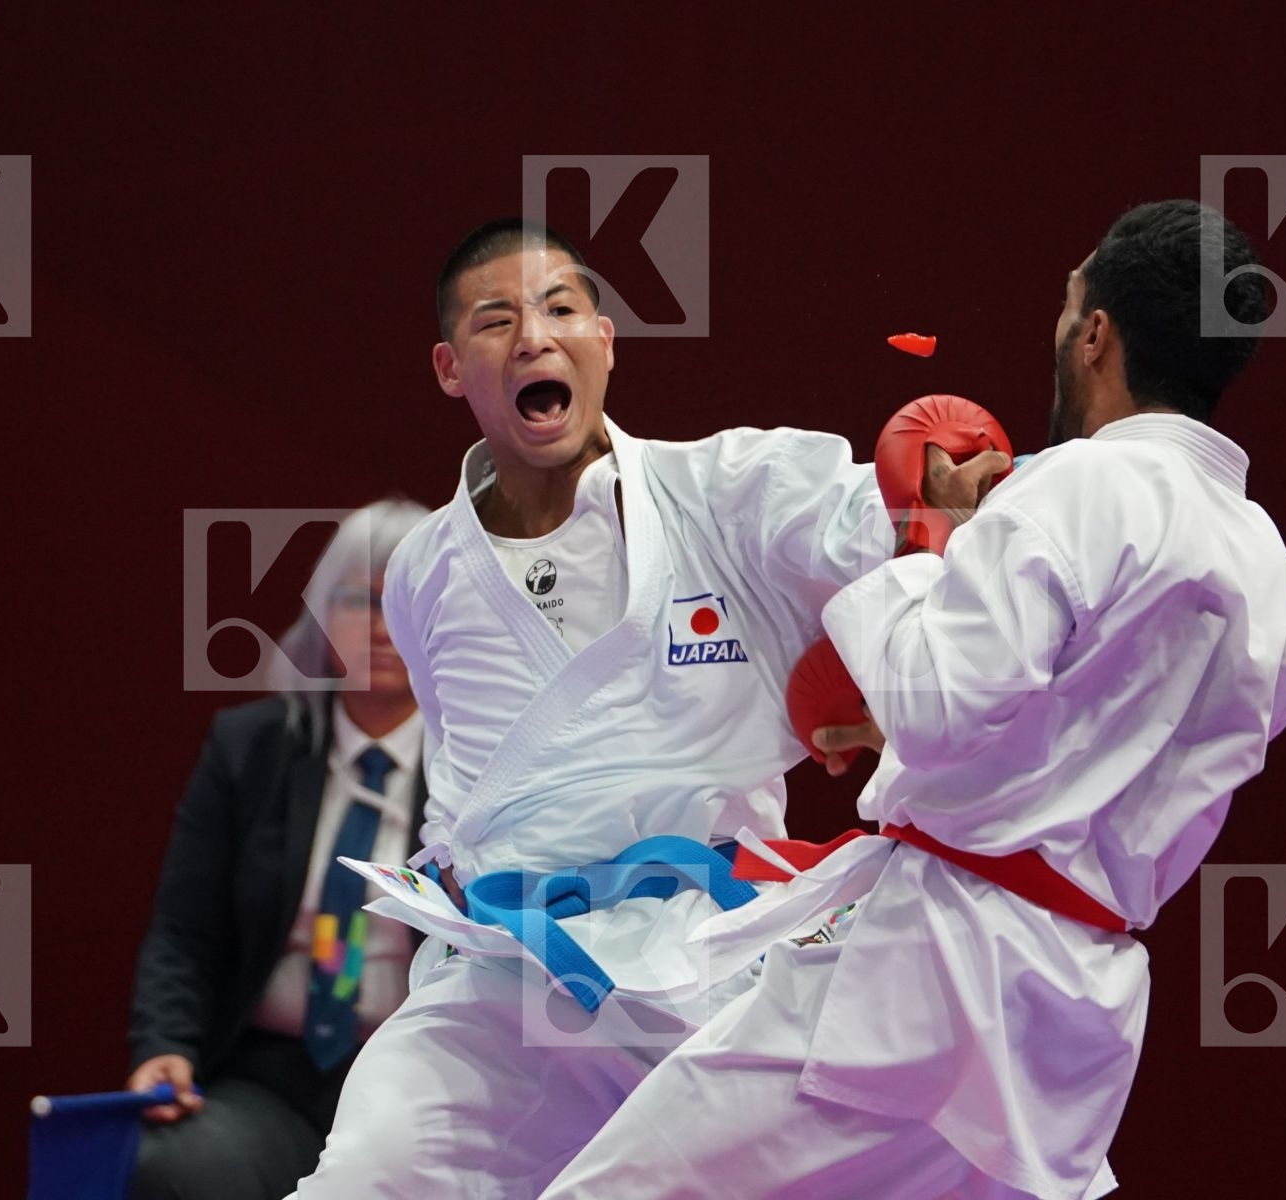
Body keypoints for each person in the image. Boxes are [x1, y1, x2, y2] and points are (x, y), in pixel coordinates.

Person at [540, 200, 1286, 1200]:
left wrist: (936, 546)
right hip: (1074, 1009)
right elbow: (1134, 728)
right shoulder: (1265, 559)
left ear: (1096, 334)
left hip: (930, 973)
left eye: (1067, 300)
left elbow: (941, 708)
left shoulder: (1076, 486)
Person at [294, 219, 896, 1197]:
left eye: (561, 309)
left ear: (605, 343)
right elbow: (465, 785)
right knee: (363, 1175)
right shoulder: (425, 573)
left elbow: (879, 516)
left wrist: (947, 498)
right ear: (451, 368)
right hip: (506, 978)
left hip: (711, 960)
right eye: (498, 320)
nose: (534, 336)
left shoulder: (724, 492)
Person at [125, 499, 429, 1200]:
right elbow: (183, 931)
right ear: (323, 614)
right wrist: (163, 1046)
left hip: (417, 1082)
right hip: (269, 1080)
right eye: (360, 600)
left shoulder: (485, 770)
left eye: (406, 601)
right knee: (174, 1167)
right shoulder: (250, 749)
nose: (383, 628)